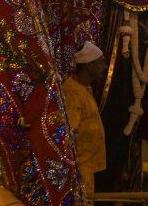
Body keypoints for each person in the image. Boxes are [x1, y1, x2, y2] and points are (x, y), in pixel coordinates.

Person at [62, 41, 108, 201]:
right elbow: (69, 134)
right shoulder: (72, 91)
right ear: (89, 65)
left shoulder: (84, 87)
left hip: (87, 166)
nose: (104, 66)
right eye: (100, 62)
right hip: (79, 170)